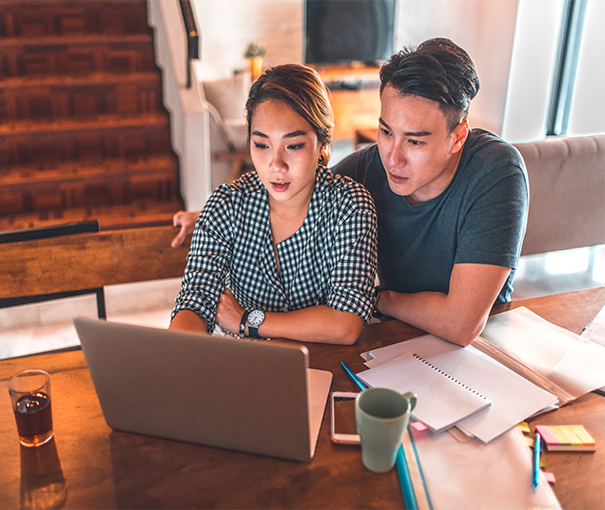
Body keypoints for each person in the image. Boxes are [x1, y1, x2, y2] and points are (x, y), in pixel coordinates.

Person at [171, 39, 529, 348]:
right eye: (386, 131)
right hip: (392, 340)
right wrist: (208, 216)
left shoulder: (495, 171)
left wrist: (372, 299)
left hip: (480, 348)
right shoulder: (366, 170)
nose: (393, 157)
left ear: (458, 137)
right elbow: (297, 191)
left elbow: (461, 324)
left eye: (415, 141)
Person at [169, 64, 377, 345]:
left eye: (294, 146)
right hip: (241, 364)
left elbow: (345, 323)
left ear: (323, 143)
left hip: (319, 365)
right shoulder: (226, 205)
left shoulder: (350, 207)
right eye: (262, 145)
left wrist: (247, 320)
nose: (275, 165)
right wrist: (177, 356)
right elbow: (195, 301)